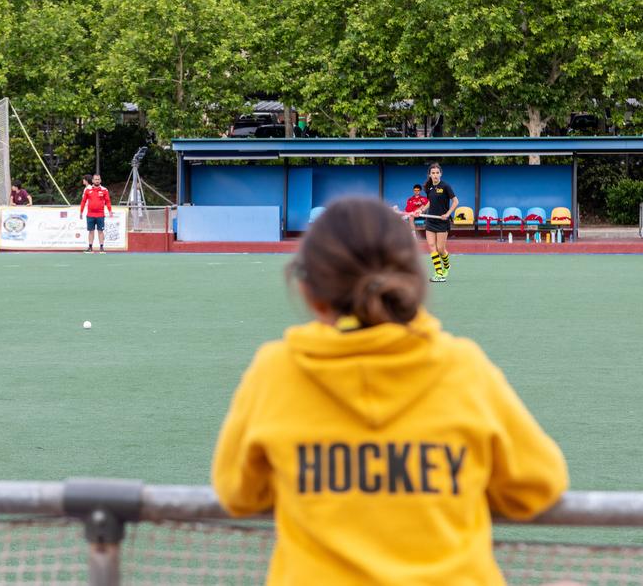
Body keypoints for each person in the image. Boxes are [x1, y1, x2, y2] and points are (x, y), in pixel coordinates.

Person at [211, 197, 568, 586]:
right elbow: (537, 486)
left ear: (310, 292)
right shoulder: (463, 368)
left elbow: (237, 493)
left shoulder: (276, 371)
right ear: (412, 283)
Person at [417, 163, 458, 282]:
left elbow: (455, 201)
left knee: (440, 249)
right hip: (430, 220)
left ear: (441, 174)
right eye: (433, 173)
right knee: (431, 246)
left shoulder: (445, 186)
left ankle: (446, 265)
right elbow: (430, 202)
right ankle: (439, 272)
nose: (435, 175)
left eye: (437, 173)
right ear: (429, 174)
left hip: (442, 221)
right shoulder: (429, 187)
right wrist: (421, 209)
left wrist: (447, 214)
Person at [79, 174, 112, 253]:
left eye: (98, 179)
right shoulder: (88, 190)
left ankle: (101, 248)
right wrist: (81, 211)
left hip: (100, 215)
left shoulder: (104, 190)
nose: (97, 181)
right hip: (90, 215)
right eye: (95, 179)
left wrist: (110, 211)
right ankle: (90, 248)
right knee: (91, 231)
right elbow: (83, 201)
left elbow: (108, 201)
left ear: (100, 180)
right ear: (93, 181)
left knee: (100, 231)